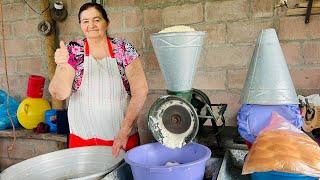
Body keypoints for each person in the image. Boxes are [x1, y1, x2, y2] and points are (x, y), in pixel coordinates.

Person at [49, 2, 148, 157]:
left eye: (97, 20)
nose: (91, 25)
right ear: (80, 25)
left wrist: (124, 132)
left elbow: (140, 90)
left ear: (106, 22)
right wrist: (61, 66)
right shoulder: (73, 50)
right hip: (82, 143)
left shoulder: (123, 48)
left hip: (121, 139)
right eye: (85, 21)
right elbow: (59, 94)